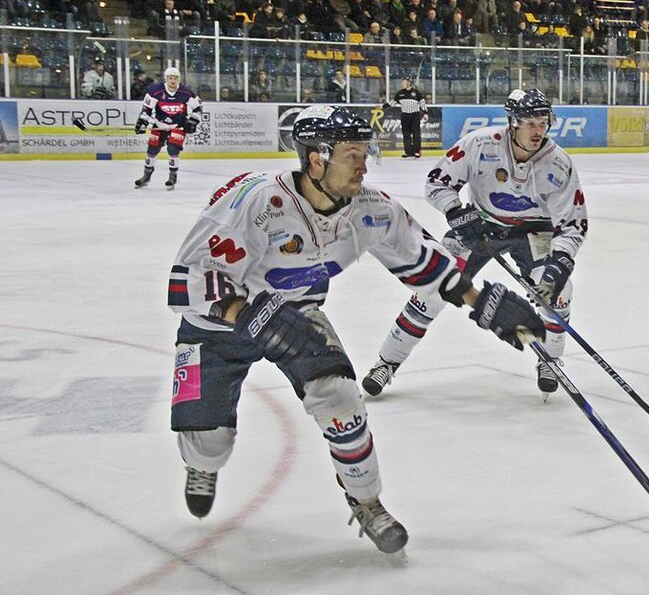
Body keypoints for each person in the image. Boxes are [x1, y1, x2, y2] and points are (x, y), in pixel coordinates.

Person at [167, 105, 544, 557]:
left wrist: (483, 303)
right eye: (352, 154)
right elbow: (189, 278)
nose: (364, 165)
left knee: (341, 399)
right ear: (316, 159)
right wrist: (253, 318)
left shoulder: (372, 209)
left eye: (366, 153)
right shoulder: (256, 201)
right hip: (216, 324)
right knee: (209, 444)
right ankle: (202, 463)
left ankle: (367, 502)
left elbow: (428, 264)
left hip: (298, 312)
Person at [361, 88, 587, 399]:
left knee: (559, 291)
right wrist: (455, 211)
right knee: (432, 289)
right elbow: (437, 182)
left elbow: (573, 223)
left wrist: (562, 260)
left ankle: (550, 359)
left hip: (535, 231)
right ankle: (387, 362)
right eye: (530, 123)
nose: (539, 130)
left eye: (543, 122)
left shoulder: (559, 163)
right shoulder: (480, 144)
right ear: (513, 123)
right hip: (479, 227)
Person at [133, 67, 203, 190]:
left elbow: (198, 107)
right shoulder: (155, 91)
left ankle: (172, 176)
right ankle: (146, 175)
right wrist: (142, 121)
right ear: (166, 79)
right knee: (152, 149)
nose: (173, 81)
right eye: (170, 78)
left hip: (178, 125)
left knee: (173, 149)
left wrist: (193, 120)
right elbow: (146, 108)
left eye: (175, 78)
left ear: (179, 79)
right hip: (159, 124)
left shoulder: (186, 92)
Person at [391, 77, 427, 159]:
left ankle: (416, 151)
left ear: (409, 83)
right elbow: (393, 102)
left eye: (403, 82)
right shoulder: (400, 93)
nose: (402, 84)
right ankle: (408, 152)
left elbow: (422, 103)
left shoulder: (416, 92)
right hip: (405, 116)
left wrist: (425, 112)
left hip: (415, 115)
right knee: (406, 134)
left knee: (416, 133)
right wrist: (383, 106)